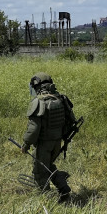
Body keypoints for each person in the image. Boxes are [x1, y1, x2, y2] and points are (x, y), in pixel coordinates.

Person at [21, 72, 78, 202]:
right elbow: (70, 120)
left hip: (44, 143)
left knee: (39, 171)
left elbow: (33, 128)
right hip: (57, 142)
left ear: (37, 86)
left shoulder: (39, 102)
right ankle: (62, 185)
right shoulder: (61, 99)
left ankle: (45, 199)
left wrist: (26, 144)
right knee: (48, 165)